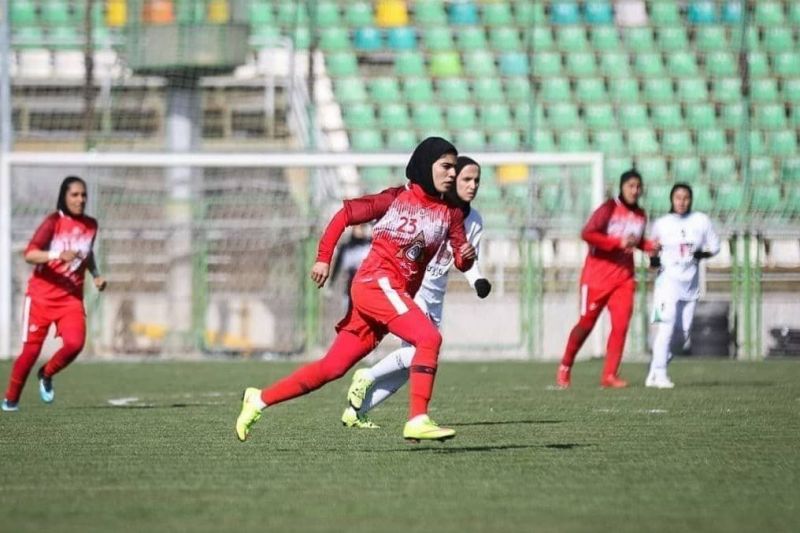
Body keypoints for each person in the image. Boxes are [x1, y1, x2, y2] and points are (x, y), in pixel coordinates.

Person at [235, 137, 476, 442]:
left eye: (455, 167)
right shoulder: (394, 199)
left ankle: (258, 399)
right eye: (446, 166)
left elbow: (459, 257)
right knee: (428, 337)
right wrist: (324, 259)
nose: (453, 174)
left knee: (332, 368)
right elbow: (344, 216)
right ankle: (417, 419)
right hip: (375, 283)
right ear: (425, 166)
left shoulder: (451, 213)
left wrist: (466, 258)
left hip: (387, 295)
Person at [341, 156, 491, 429]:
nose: (472, 185)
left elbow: (466, 258)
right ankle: (369, 376)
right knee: (423, 349)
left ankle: (357, 410)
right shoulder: (433, 208)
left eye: (476, 180)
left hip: (436, 296)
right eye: (466, 179)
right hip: (413, 289)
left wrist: (477, 279)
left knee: (411, 366)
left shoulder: (475, 221)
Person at [2, 176, 107, 412]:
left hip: (70, 298)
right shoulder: (53, 222)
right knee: (30, 353)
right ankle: (11, 401)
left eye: (83, 195)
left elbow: (87, 254)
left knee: (75, 343)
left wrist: (96, 275)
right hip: (40, 297)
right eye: (74, 195)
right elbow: (30, 254)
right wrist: (56, 255)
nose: (80, 199)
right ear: (64, 196)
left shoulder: (91, 225)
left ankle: (46, 374)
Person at [556, 169, 659, 389]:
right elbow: (588, 233)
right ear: (621, 187)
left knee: (621, 326)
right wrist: (616, 242)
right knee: (586, 324)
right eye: (630, 185)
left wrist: (649, 246)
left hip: (624, 278)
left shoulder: (641, 214)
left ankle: (609, 375)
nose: (635, 190)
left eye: (638, 186)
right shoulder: (608, 208)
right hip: (596, 277)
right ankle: (565, 365)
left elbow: (636, 241)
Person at [646, 183, 720, 388]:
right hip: (667, 282)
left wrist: (701, 254)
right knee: (666, 327)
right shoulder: (662, 223)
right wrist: (653, 261)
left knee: (683, 335)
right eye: (678, 197)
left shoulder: (701, 221)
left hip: (689, 285)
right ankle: (660, 374)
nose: (681, 201)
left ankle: (655, 366)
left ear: (691, 199)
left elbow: (715, 247)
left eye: (686, 197)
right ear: (671, 199)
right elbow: (652, 248)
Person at [329, 223, 371, 311]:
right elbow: (337, 265)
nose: (360, 230)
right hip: (350, 289)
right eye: (358, 227)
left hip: (367, 289)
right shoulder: (346, 247)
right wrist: (331, 283)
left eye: (363, 227)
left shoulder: (369, 245)